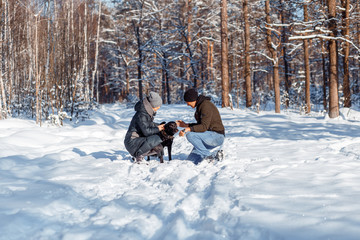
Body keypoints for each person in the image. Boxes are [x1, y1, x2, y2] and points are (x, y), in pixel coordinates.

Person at [177, 88, 225, 164]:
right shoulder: (201, 105)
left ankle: (212, 156)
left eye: (188, 102)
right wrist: (186, 125)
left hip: (216, 136)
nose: (187, 104)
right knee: (191, 161)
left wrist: (187, 129)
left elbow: (204, 127)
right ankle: (208, 156)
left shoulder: (205, 105)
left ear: (192, 99)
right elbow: (201, 125)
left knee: (190, 135)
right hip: (208, 136)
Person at [124, 91, 165, 163]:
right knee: (157, 138)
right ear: (153, 104)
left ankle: (138, 154)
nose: (159, 107)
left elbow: (149, 124)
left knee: (158, 147)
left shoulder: (146, 112)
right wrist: (158, 128)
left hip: (137, 140)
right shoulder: (142, 114)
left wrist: (159, 125)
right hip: (132, 141)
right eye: (158, 106)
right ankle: (139, 157)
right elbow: (147, 132)